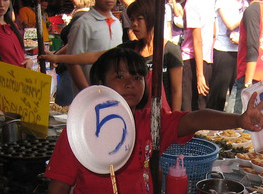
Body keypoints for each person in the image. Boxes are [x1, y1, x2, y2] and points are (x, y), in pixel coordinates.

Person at [45, 47, 263, 194]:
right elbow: (58, 187)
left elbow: (193, 119)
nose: (130, 84)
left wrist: (238, 120)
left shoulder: (149, 123)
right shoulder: (79, 131)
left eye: (137, 77)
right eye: (119, 76)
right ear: (101, 84)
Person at [41, 0, 184, 111]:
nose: (133, 25)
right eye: (132, 19)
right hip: (133, 115)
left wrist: (174, 119)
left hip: (162, 117)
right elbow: (95, 56)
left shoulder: (170, 51)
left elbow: (177, 91)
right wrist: (56, 58)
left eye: (138, 19)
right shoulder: (131, 48)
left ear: (151, 19)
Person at [227, 0, 263, 114]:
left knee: (234, 123)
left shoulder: (252, 10)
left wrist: (247, 84)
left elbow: (252, 47)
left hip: (249, 76)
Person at [66, 0, 122, 93]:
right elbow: (72, 62)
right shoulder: (83, 24)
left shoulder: (117, 23)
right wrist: (88, 93)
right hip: (89, 98)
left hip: (112, 95)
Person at [207, 0, 244, 111]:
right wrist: (247, 14)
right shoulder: (223, 2)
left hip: (239, 50)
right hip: (223, 50)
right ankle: (211, 125)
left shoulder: (244, 4)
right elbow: (230, 24)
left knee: (237, 93)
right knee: (219, 95)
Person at [181, 0, 215, 111]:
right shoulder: (192, 4)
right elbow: (197, 40)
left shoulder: (207, 3)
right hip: (191, 60)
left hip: (204, 59)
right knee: (190, 108)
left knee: (201, 106)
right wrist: (200, 74)